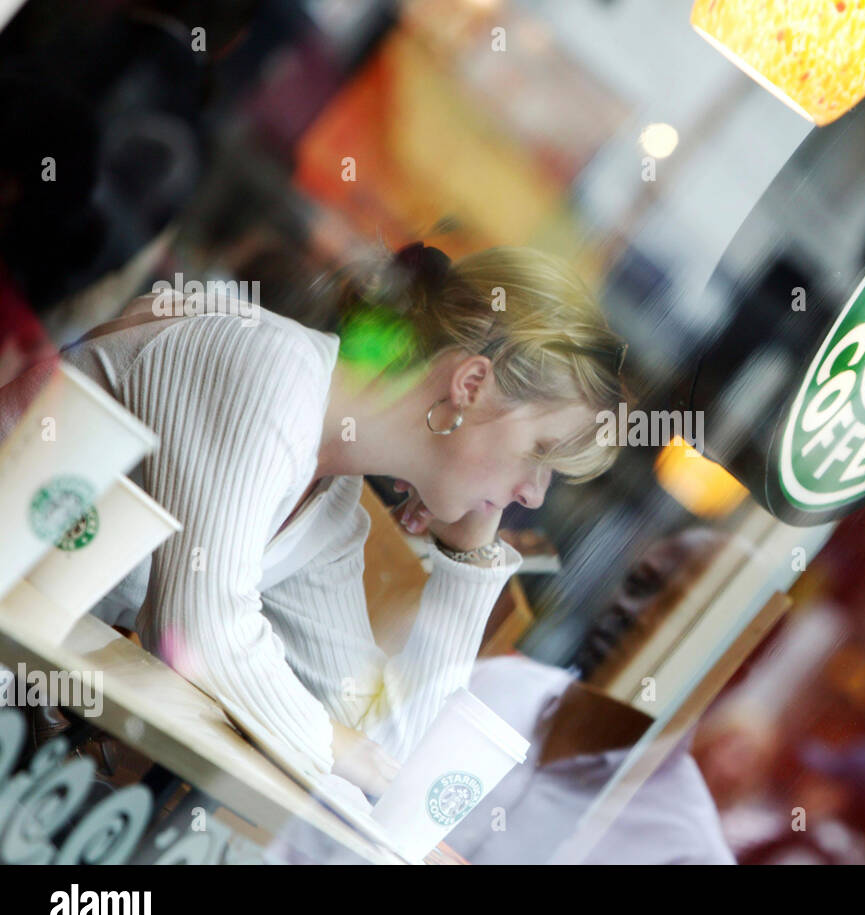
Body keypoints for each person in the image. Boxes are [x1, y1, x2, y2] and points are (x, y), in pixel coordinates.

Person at [1, 241, 626, 797]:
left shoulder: (331, 505)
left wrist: (467, 564)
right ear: (470, 384)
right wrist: (333, 744)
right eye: (541, 454)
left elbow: (384, 747)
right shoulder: (271, 368)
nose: (536, 494)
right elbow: (196, 631)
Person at [445, 653, 735, 865]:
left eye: (673, 607)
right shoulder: (497, 682)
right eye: (636, 584)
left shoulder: (689, 852)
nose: (629, 610)